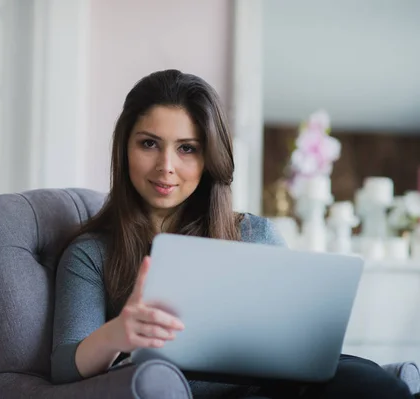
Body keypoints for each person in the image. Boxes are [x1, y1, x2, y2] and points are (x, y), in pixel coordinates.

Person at [50, 69, 414, 398]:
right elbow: (64, 368)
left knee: (376, 384)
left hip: (279, 390)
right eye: (149, 143)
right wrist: (118, 333)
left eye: (187, 149)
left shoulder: (255, 234)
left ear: (210, 158)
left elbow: (303, 349)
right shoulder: (91, 253)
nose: (166, 167)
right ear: (124, 148)